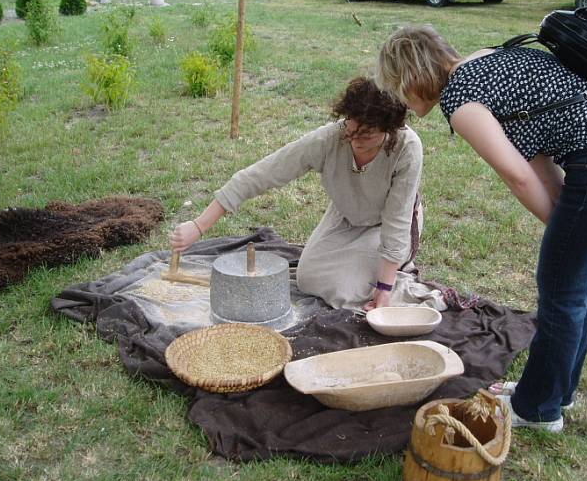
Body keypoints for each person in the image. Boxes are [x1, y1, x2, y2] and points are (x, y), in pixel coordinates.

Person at [376, 25, 587, 432]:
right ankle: (555, 391)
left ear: (411, 76)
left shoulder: (461, 98)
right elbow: (538, 154)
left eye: (397, 87)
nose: (399, 98)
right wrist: (566, 227)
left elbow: (519, 177)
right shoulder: (487, 56)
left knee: (563, 289)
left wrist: (565, 231)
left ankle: (537, 410)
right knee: (574, 283)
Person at [170, 77, 423, 311]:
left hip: (386, 223)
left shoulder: (407, 148)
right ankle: (365, 263)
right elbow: (264, 173)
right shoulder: (330, 139)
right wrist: (199, 225)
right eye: (351, 128)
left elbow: (397, 221)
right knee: (309, 279)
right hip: (346, 215)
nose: (355, 139)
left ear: (389, 129)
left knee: (343, 289)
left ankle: (396, 269)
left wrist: (385, 288)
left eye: (366, 134)